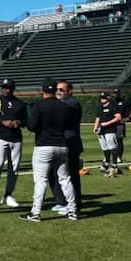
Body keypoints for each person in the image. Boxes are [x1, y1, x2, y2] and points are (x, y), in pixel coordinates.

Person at [20, 78, 79, 222]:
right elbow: (69, 125)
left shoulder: (39, 106)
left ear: (43, 90)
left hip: (44, 145)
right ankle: (73, 210)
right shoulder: (64, 106)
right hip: (61, 145)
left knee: (40, 181)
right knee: (65, 179)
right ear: (54, 90)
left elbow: (32, 126)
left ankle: (35, 212)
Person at [0, 78, 27, 208]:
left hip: (15, 138)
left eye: (8, 87)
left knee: (13, 169)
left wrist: (18, 123)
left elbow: (26, 120)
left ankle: (8, 195)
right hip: (0, 137)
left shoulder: (20, 103)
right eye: (4, 87)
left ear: (12, 88)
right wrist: (3, 122)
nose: (5, 90)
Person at [51, 80, 84, 212]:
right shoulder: (61, 103)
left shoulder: (72, 103)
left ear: (70, 91)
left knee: (71, 175)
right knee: (54, 173)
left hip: (71, 143)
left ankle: (74, 205)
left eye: (61, 90)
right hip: (61, 142)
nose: (58, 92)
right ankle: (62, 201)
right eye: (57, 90)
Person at [93, 92, 122, 176]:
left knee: (112, 147)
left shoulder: (113, 106)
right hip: (101, 130)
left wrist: (107, 123)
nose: (102, 99)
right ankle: (106, 163)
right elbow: (97, 118)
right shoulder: (100, 107)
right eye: (101, 98)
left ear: (108, 98)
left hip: (110, 129)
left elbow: (118, 117)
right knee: (104, 147)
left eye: (104, 98)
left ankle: (114, 165)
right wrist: (95, 127)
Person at [112, 89, 131, 164]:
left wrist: (129, 117)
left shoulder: (124, 101)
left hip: (120, 124)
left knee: (119, 141)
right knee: (111, 140)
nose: (116, 95)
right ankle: (110, 156)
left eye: (117, 93)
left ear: (120, 94)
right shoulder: (111, 102)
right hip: (111, 124)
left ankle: (119, 157)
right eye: (114, 93)